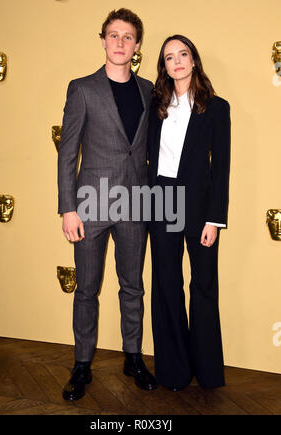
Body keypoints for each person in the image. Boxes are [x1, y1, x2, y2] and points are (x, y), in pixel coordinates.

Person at [57, 8, 157, 401]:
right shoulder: (82, 89)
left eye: (128, 36)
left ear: (136, 45)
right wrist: (68, 208)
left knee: (132, 286)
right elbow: (67, 154)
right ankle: (82, 365)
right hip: (91, 205)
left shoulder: (150, 90)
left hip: (136, 203)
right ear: (102, 40)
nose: (120, 42)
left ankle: (133, 356)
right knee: (86, 289)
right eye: (113, 35)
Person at [148, 35, 231, 391]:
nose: (177, 61)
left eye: (183, 54)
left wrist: (214, 219)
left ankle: (208, 372)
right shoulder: (157, 106)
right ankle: (174, 371)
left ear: (194, 60)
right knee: (166, 284)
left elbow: (222, 167)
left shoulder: (217, 107)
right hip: (162, 199)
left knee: (204, 285)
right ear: (164, 67)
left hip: (199, 205)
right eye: (169, 57)